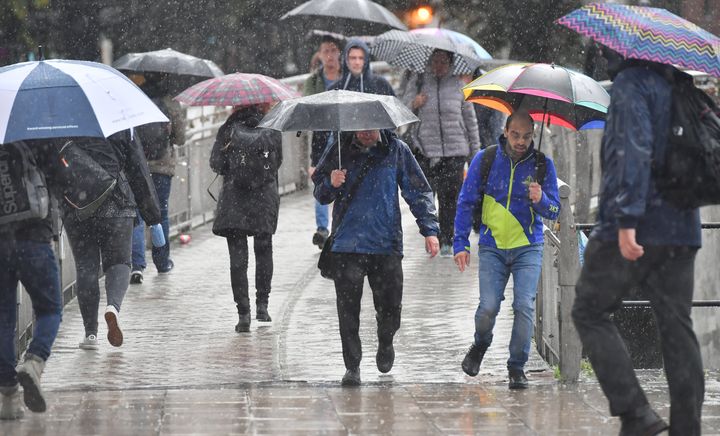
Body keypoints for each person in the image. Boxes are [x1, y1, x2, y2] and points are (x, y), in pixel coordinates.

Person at [571, 47, 704, 436]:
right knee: (677, 327)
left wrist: (627, 221)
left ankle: (636, 413)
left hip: (634, 225)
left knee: (589, 310)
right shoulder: (679, 82)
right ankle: (687, 428)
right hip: (682, 226)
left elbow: (633, 151)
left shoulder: (631, 84)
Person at [312, 129, 440, 386]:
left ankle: (386, 339)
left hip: (386, 244)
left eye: (372, 128)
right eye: (362, 129)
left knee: (391, 306)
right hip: (348, 244)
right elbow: (320, 192)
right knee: (347, 310)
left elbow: (417, 190)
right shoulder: (339, 149)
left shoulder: (396, 150)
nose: (367, 133)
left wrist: (430, 229)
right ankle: (352, 366)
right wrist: (330, 183)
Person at [453, 110, 560, 389]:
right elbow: (465, 201)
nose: (521, 141)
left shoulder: (542, 165)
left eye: (526, 136)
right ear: (505, 131)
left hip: (528, 247)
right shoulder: (486, 159)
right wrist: (460, 243)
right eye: (515, 135)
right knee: (488, 308)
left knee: (524, 306)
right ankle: (480, 344)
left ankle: (517, 366)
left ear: (533, 135)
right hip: (492, 246)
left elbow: (555, 209)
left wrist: (541, 199)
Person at [63, 131, 161, 350]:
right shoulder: (119, 122)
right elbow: (139, 171)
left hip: (78, 206)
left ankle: (90, 334)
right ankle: (112, 307)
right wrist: (153, 215)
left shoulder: (65, 121)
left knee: (86, 267)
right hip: (116, 201)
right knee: (119, 262)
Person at [0, 141, 62, 419]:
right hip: (34, 238)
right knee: (50, 309)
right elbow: (62, 179)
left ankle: (8, 398)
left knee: (2, 318)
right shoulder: (34, 135)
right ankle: (34, 362)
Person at [210, 104, 282, 333]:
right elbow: (277, 163)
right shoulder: (272, 127)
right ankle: (263, 305)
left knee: (238, 259)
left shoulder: (228, 128)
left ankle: (243, 313)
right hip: (264, 198)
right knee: (264, 249)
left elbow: (216, 163)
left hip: (234, 199)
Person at [402, 50, 481, 256]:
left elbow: (470, 122)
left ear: (451, 64)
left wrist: (475, 154)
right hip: (425, 150)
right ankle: (432, 235)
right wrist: (414, 104)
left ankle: (448, 238)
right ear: (429, 62)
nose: (439, 66)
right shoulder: (418, 82)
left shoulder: (459, 87)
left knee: (450, 197)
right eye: (435, 61)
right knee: (427, 197)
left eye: (444, 62)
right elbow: (401, 112)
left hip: (455, 151)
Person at [130, 76, 187, 284]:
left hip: (137, 167)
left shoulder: (134, 97)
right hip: (162, 167)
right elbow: (180, 138)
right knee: (159, 213)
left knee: (136, 214)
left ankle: (136, 265)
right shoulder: (170, 103)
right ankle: (162, 262)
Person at [304, 35, 342, 250]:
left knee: (342, 179)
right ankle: (322, 228)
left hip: (342, 136)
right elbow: (308, 107)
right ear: (319, 55)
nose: (329, 55)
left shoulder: (347, 78)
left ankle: (338, 225)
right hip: (321, 136)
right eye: (325, 51)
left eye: (333, 50)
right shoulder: (314, 80)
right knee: (320, 179)